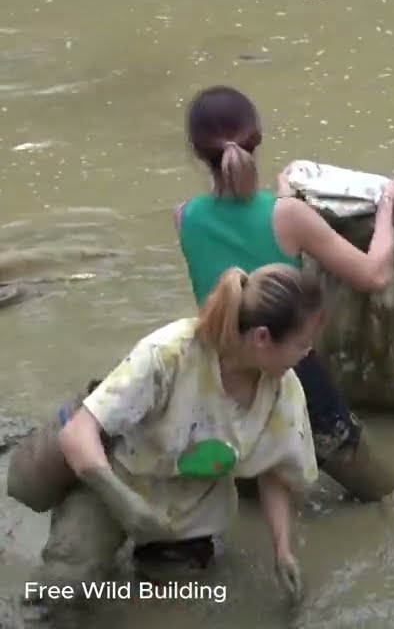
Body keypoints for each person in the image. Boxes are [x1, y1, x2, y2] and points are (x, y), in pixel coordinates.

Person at [24, 263, 321, 615]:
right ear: (262, 338)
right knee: (63, 590)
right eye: (302, 344)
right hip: (113, 483)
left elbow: (275, 471)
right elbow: (77, 434)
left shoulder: (283, 391)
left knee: (174, 603)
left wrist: (282, 548)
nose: (308, 353)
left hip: (187, 508)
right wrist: (124, 502)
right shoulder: (169, 354)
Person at [174, 85, 394, 502]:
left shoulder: (184, 217)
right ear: (257, 137)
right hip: (290, 368)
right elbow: (375, 275)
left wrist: (284, 197)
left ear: (197, 150)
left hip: (219, 373)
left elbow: (247, 238)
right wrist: (387, 208)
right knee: (380, 492)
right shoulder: (287, 216)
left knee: (248, 489)